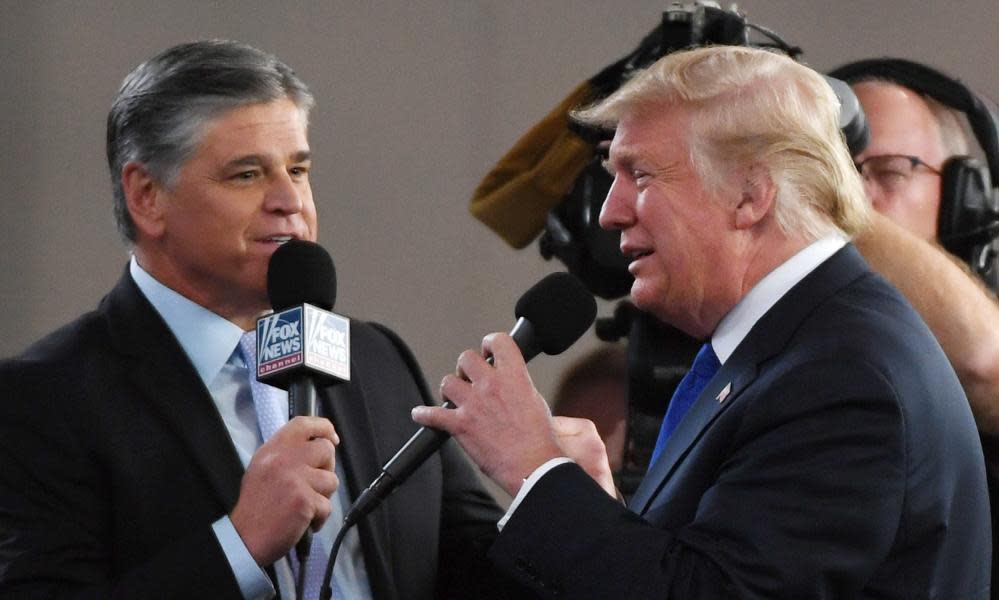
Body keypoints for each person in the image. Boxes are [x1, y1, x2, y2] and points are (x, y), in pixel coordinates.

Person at [413, 46, 991, 598]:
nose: (610, 212)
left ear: (751, 195)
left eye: (639, 175)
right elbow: (700, 568)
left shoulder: (840, 376)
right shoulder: (793, 343)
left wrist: (536, 472)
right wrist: (596, 507)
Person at [0, 40, 518, 600]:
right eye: (246, 175)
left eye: (298, 168)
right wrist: (239, 545)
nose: (289, 199)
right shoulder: (43, 399)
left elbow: (479, 572)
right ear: (147, 197)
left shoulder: (374, 359)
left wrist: (565, 503)